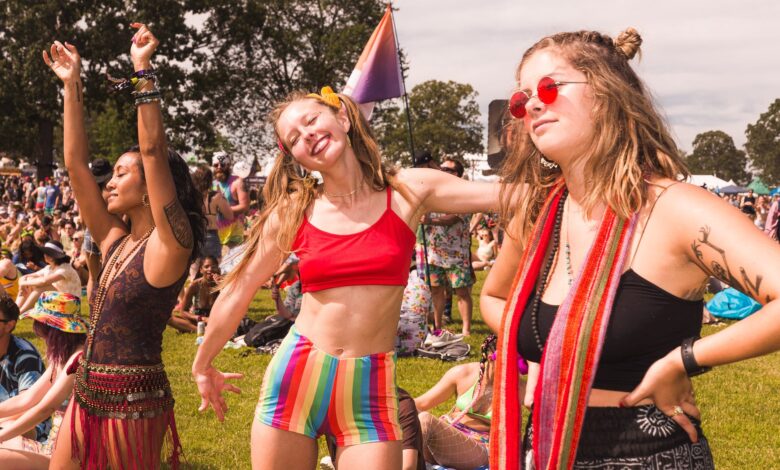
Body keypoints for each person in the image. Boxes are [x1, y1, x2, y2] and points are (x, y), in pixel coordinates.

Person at [475, 28, 780, 469]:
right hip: (542, 451)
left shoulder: (673, 208)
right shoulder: (540, 215)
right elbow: (495, 295)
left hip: (648, 456)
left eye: (549, 87)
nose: (533, 105)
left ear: (606, 93)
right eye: (522, 100)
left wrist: (684, 361)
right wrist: (549, 350)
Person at [192, 86, 499, 470]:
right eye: (293, 138)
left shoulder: (409, 189)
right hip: (295, 378)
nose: (306, 135)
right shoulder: (296, 209)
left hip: (370, 392)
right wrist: (203, 364)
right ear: (296, 157)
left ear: (342, 117)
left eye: (311, 120)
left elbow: (508, 194)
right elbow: (239, 290)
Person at [43, 22, 204, 469]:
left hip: (133, 401)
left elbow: (153, 151)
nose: (109, 183)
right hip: (87, 391)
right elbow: (76, 165)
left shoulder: (170, 245)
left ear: (153, 187)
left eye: (120, 173)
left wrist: (142, 68)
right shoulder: (116, 241)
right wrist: (72, 85)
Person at [0, 292, 86, 469]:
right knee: (7, 425)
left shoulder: (78, 359)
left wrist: (1, 437)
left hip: (68, 457)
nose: (35, 329)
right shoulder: (62, 357)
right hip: (53, 446)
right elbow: (28, 398)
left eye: (39, 324)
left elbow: (45, 409)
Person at [415, 336, 499, 470]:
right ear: (490, 357)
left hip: (480, 448)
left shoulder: (519, 388)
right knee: (417, 418)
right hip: (447, 434)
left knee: (425, 420)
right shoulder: (463, 374)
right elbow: (420, 403)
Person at [421, 158, 476, 337]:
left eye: (448, 169)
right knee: (436, 290)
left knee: (462, 292)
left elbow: (453, 218)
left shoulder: (465, 194)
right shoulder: (435, 193)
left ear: (457, 174)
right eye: (441, 167)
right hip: (434, 252)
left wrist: (430, 220)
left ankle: (466, 330)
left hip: (456, 254)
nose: (442, 170)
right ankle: (437, 327)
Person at [0, 295, 47, 442]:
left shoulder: (25, 356)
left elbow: (28, 406)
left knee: (14, 426)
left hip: (24, 424)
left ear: (9, 325)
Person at [16, 241, 81, 313]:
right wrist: (22, 282)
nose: (45, 255)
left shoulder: (65, 268)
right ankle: (15, 309)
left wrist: (23, 283)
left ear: (56, 256)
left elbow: (44, 281)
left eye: (49, 254)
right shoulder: (49, 267)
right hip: (58, 300)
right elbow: (26, 277)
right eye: (45, 253)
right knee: (30, 279)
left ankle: (20, 312)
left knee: (42, 288)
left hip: (71, 304)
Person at [168, 256, 222, 333]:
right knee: (169, 319)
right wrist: (202, 318)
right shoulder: (194, 285)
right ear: (201, 270)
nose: (210, 269)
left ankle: (193, 329)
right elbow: (183, 311)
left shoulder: (223, 284)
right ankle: (199, 330)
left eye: (213, 267)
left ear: (218, 269)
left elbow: (231, 306)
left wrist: (222, 287)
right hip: (197, 320)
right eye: (206, 267)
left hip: (216, 319)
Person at [212, 151, 249, 254]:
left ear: (228, 165)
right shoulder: (213, 184)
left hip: (233, 236)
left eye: (222, 164)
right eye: (216, 165)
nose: (219, 167)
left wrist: (224, 210)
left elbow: (245, 206)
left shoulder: (238, 182)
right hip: (215, 235)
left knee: (231, 267)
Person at [193, 165, 232, 262]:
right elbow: (229, 215)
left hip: (195, 235)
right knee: (214, 268)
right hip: (211, 235)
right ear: (210, 179)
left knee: (193, 270)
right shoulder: (216, 196)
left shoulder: (191, 196)